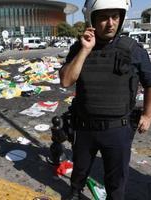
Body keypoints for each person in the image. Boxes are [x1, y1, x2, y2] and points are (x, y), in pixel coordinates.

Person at [59, 0, 151, 199]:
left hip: (117, 130)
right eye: (103, 17)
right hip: (84, 129)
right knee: (78, 175)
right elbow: (66, 81)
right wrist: (85, 49)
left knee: (116, 185)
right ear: (92, 19)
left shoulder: (134, 50)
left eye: (115, 17)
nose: (110, 23)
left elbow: (149, 82)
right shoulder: (79, 48)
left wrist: (147, 114)